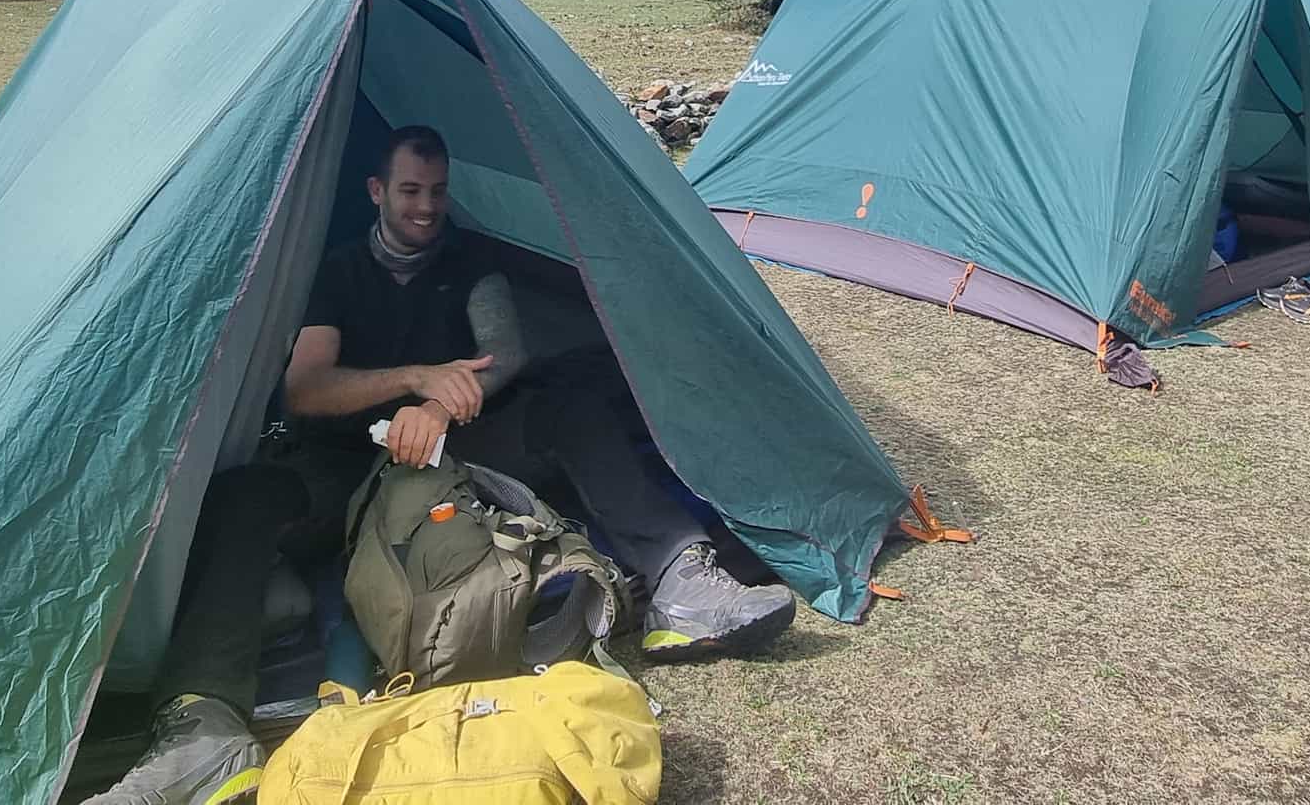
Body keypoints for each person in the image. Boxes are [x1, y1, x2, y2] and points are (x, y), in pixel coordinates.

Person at [88, 125, 795, 805]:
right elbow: (307, 388)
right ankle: (205, 733)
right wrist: (417, 379)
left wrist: (444, 409)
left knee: (571, 404)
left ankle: (682, 583)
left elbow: (506, 352)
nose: (426, 207)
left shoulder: (469, 264)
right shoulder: (337, 270)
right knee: (247, 496)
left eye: (437, 191)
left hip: (457, 452)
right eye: (410, 191)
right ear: (376, 191)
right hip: (346, 463)